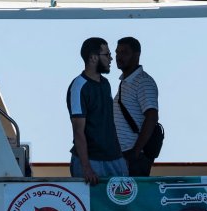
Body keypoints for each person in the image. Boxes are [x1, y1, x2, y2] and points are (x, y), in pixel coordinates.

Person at [67, 37, 129, 184]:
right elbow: (78, 130)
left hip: (115, 158)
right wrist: (86, 168)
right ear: (93, 58)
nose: (111, 59)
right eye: (107, 55)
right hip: (91, 161)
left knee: (122, 205)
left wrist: (120, 158)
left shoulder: (105, 83)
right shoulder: (78, 86)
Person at [113, 36, 162, 176]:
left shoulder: (143, 82)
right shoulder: (126, 82)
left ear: (137, 55)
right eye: (117, 52)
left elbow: (152, 116)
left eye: (124, 52)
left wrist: (135, 151)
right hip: (123, 155)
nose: (118, 56)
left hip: (133, 155)